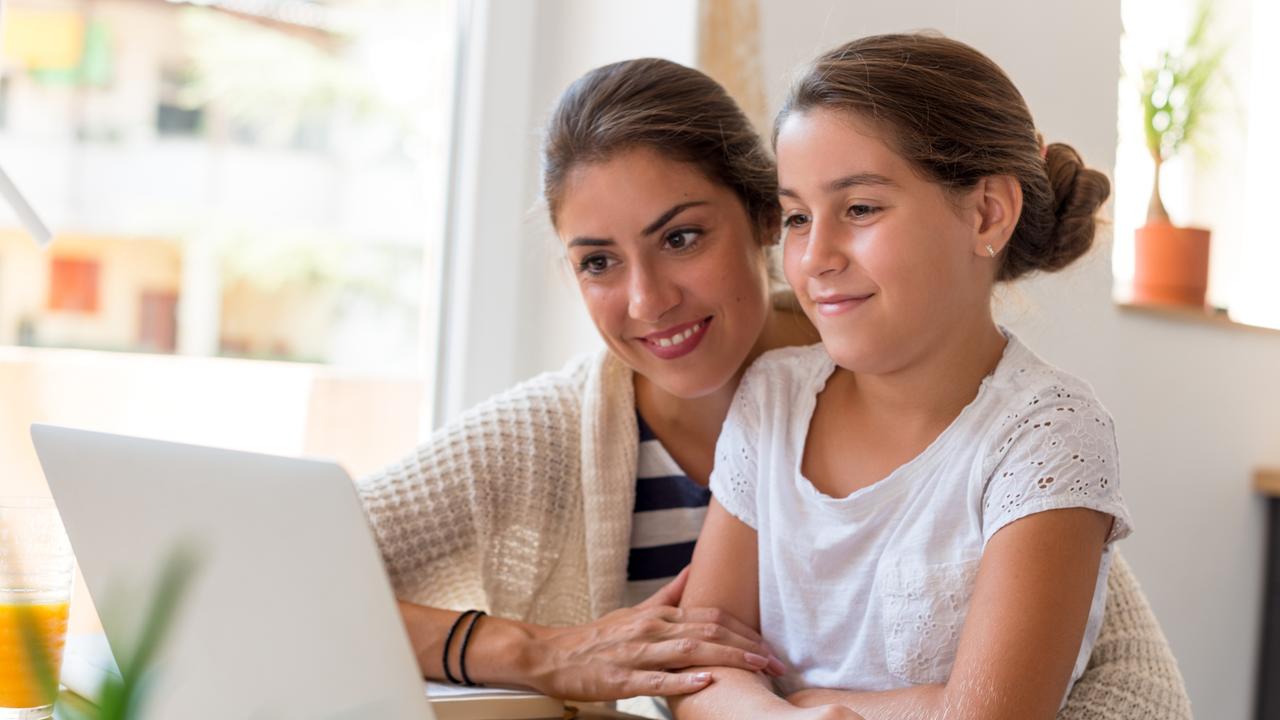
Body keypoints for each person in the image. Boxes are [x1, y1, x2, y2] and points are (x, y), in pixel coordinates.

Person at [671, 33, 1131, 720]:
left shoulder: (1047, 436)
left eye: (859, 209)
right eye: (797, 217)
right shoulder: (772, 398)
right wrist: (792, 718)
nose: (815, 257)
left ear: (987, 214)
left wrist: (820, 699)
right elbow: (697, 670)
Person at [357, 57, 815, 702]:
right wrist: (538, 652)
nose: (647, 301)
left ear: (768, 213)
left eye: (681, 238)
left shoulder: (895, 374)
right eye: (599, 261)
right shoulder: (541, 437)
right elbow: (258, 568)